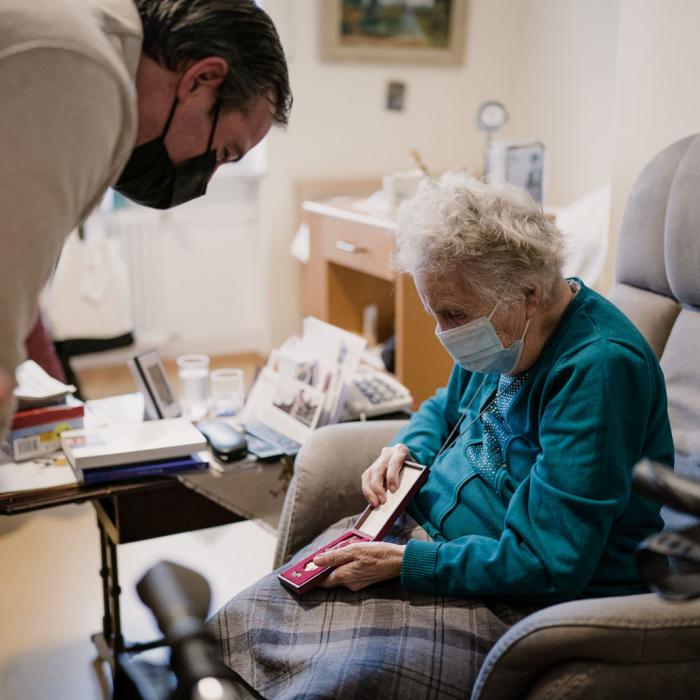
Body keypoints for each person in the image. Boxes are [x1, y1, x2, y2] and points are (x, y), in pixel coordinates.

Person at [210, 176, 674, 698]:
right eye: (435, 313)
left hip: (510, 593)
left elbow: (550, 563)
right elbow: (442, 407)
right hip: (423, 543)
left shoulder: (599, 370)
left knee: (330, 682)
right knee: (241, 623)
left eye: (453, 314)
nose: (443, 332)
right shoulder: (510, 332)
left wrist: (409, 565)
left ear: (527, 294)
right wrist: (408, 446)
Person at [0, 0, 291, 437]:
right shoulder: (82, 71)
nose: (207, 176)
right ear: (201, 79)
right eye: (224, 152)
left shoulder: (88, 35)